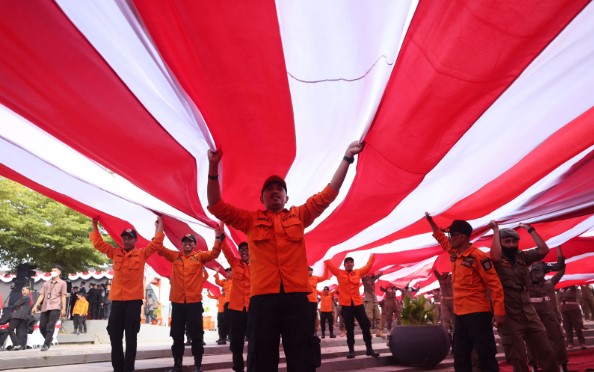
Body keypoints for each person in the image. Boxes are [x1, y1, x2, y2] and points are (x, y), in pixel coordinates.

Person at [207, 140, 364, 372]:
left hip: (297, 299)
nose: (275, 192)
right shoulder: (250, 220)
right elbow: (216, 205)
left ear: (286, 198)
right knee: (261, 360)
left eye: (279, 189)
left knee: (302, 358)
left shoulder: (299, 216)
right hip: (262, 300)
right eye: (269, 190)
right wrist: (212, 168)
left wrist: (347, 158)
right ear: (261, 199)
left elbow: (328, 194)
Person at [425, 213, 505, 372]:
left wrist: (499, 312)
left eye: (452, 236)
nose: (450, 239)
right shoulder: (455, 253)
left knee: (486, 356)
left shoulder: (479, 257)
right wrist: (430, 221)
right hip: (460, 315)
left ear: (461, 237)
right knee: (460, 357)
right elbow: (440, 238)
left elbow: (495, 285)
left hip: (478, 314)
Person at [90, 216, 164, 372]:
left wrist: (159, 225)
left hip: (133, 302)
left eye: (130, 238)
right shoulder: (115, 253)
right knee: (114, 335)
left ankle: (128, 368)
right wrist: (94, 224)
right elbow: (98, 244)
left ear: (135, 240)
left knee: (131, 337)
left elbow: (156, 244)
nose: (126, 241)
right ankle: (118, 368)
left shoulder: (142, 253)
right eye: (124, 238)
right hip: (117, 301)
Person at [490, 222, 558, 372]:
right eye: (507, 241)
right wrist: (496, 231)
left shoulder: (522, 257)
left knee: (548, 353)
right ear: (500, 243)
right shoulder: (495, 260)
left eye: (514, 241)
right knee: (518, 359)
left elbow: (543, 250)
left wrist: (530, 229)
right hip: (509, 316)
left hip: (529, 313)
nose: (512, 244)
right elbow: (494, 257)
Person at [156, 228, 223, 372]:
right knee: (177, 335)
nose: (187, 244)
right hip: (178, 303)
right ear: (181, 244)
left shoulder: (199, 257)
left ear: (194, 245)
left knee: (197, 335)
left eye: (190, 242)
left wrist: (218, 237)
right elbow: (159, 248)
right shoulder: (175, 256)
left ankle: (198, 365)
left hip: (194, 303)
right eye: (185, 241)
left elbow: (214, 253)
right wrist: (159, 228)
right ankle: (177, 364)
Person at [325, 255, 380, 359]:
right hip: (346, 306)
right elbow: (330, 265)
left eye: (351, 262)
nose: (349, 264)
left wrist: (374, 253)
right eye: (347, 262)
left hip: (358, 304)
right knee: (349, 329)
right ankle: (351, 351)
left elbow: (368, 266)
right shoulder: (339, 273)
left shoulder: (358, 272)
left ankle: (369, 349)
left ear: (353, 264)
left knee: (366, 324)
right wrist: (324, 255)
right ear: (344, 264)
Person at [527, 245, 568, 372]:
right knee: (531, 337)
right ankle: (534, 365)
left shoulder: (542, 265)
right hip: (530, 307)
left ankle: (562, 364)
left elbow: (559, 266)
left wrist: (559, 245)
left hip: (545, 306)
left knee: (556, 335)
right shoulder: (518, 266)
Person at [220, 240, 251, 372]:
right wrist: (221, 237)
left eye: (247, 249)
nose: (244, 252)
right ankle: (238, 367)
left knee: (254, 340)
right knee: (236, 341)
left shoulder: (258, 264)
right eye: (242, 250)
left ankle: (252, 366)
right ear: (239, 252)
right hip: (236, 308)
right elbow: (226, 251)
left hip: (252, 308)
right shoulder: (234, 263)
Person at [31, 264, 67, 351]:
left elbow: (63, 296)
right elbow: (41, 295)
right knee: (42, 326)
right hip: (45, 306)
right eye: (52, 270)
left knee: (51, 325)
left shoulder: (62, 283)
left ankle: (46, 344)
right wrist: (35, 306)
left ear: (59, 272)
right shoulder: (46, 283)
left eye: (55, 270)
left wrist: (63, 308)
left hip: (56, 306)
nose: (53, 272)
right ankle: (49, 339)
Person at [3, 286, 33, 350]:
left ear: (28, 291)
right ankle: (20, 345)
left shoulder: (26, 297)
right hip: (22, 316)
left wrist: (17, 306)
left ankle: (16, 344)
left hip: (18, 315)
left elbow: (16, 304)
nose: (22, 291)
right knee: (19, 331)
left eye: (24, 290)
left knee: (10, 329)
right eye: (22, 290)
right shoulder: (28, 298)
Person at [361, 270, 383, 337]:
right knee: (369, 317)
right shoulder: (364, 279)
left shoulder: (373, 279)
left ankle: (379, 331)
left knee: (378, 316)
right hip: (368, 300)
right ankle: (369, 332)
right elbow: (360, 274)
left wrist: (380, 271)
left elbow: (379, 274)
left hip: (374, 300)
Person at [214, 268, 232, 345]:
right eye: (227, 272)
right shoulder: (224, 281)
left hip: (235, 303)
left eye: (229, 272)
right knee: (225, 322)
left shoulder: (236, 280)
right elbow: (217, 282)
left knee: (235, 322)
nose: (228, 273)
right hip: (226, 304)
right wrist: (217, 273)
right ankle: (223, 338)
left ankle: (232, 337)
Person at [307, 267, 327, 336]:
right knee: (306, 317)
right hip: (305, 301)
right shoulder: (303, 278)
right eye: (308, 270)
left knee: (313, 317)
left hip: (313, 301)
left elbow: (325, 277)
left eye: (311, 270)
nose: (309, 271)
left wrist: (326, 266)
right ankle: (307, 332)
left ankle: (313, 332)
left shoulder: (315, 278)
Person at [433, 269, 454, 335]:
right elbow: (435, 271)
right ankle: (447, 334)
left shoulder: (452, 277)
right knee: (445, 317)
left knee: (455, 318)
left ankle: (455, 333)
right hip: (444, 301)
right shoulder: (440, 278)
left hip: (452, 300)